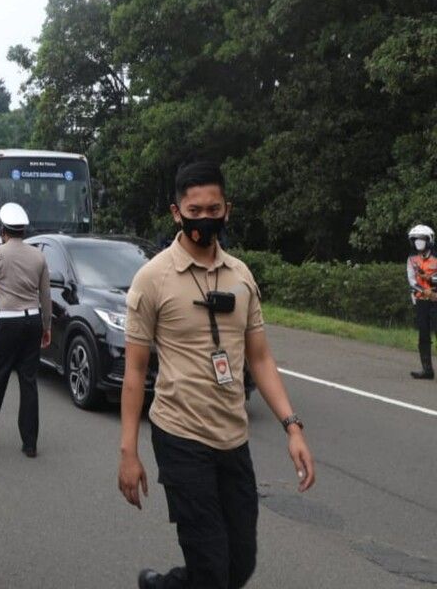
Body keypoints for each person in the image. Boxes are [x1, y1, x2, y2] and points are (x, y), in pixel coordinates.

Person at [118, 161, 316, 589]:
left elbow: (260, 359)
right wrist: (128, 452)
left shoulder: (241, 275)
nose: (204, 219)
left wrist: (292, 427)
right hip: (180, 438)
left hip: (233, 439)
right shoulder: (152, 279)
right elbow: (135, 371)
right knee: (211, 567)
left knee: (239, 564)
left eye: (214, 209)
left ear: (227, 209)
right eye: (195, 210)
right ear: (176, 212)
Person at [0, 202, 51, 457]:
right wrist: (47, 327)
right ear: (23, 231)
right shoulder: (38, 256)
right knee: (29, 382)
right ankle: (30, 443)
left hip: (8, 320)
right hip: (33, 321)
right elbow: (46, 297)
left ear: (3, 229)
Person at [407, 224, 437, 379]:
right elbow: (412, 280)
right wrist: (424, 290)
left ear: (429, 240)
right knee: (423, 334)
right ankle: (427, 369)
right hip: (421, 300)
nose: (418, 242)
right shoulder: (412, 259)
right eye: (415, 239)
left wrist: (431, 282)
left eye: (422, 239)